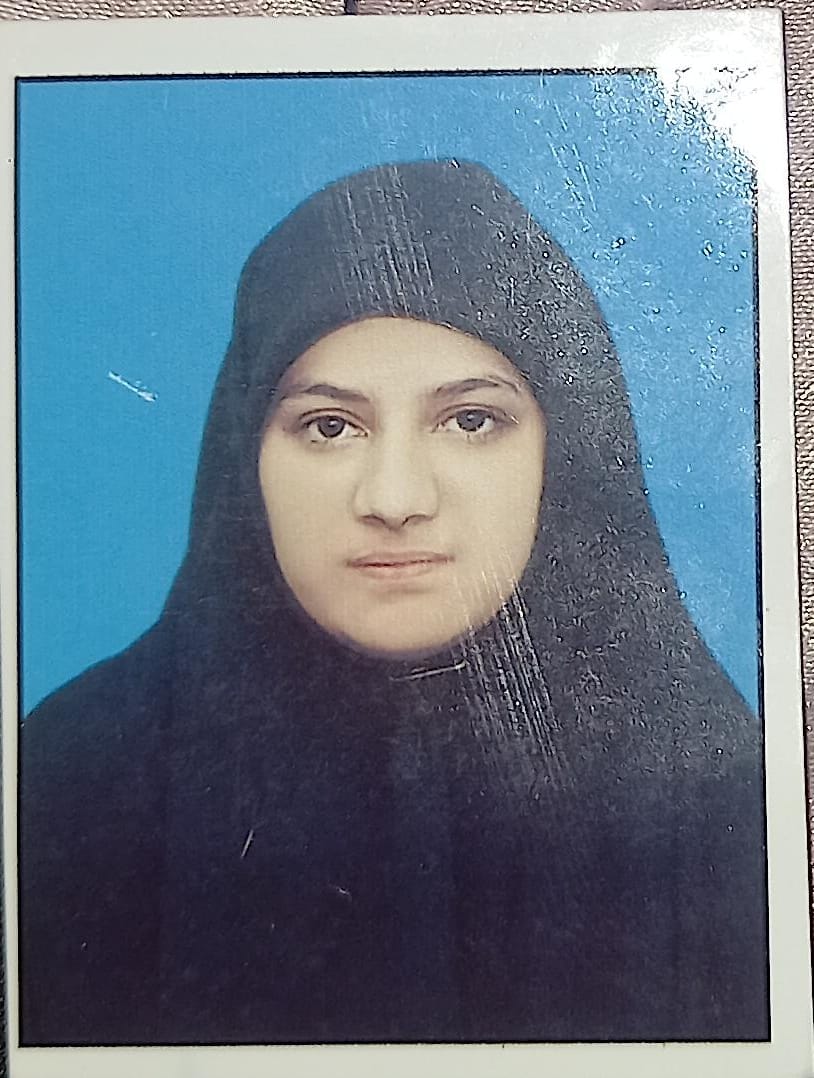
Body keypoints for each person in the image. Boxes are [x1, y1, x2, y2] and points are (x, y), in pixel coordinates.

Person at [19, 159, 768, 1046]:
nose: (396, 498)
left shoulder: (713, 796)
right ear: (244, 454)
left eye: (471, 420)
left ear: (566, 451)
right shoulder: (68, 784)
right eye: (330, 426)